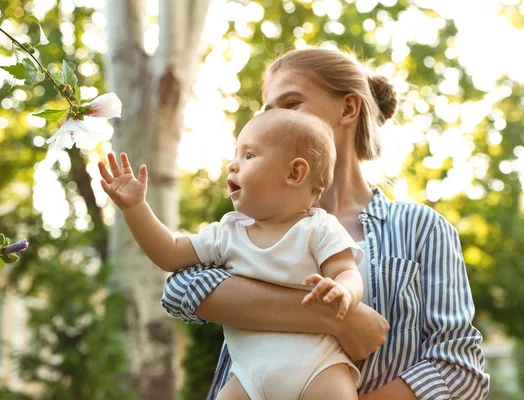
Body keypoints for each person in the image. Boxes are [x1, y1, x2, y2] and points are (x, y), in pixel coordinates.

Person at [162, 48, 490, 400]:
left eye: (291, 104)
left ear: (348, 109)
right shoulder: (250, 222)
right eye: (267, 112)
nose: (275, 123)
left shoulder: (422, 228)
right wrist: (336, 318)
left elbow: (459, 366)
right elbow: (180, 289)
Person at [98, 109, 369, 400]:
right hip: (248, 379)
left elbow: (346, 272)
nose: (233, 165)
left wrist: (344, 292)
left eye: (249, 155)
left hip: (319, 369)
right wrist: (135, 209)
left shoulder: (319, 228)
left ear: (295, 173)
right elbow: (169, 253)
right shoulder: (227, 234)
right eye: (236, 155)